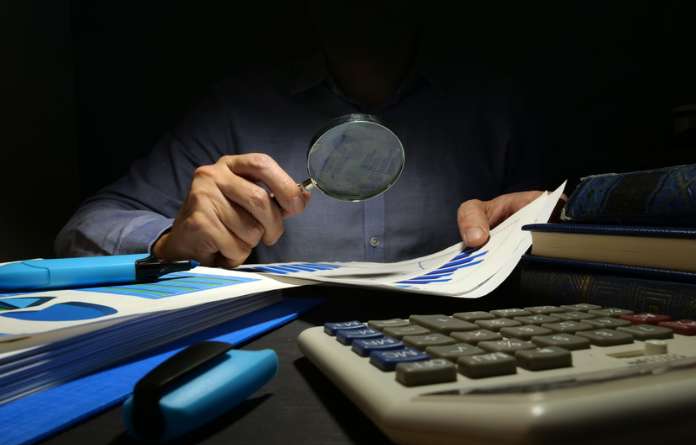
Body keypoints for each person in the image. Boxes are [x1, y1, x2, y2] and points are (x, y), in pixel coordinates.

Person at [55, 2, 546, 267]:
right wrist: (170, 242)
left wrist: (551, 226)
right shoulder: (235, 110)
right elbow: (85, 230)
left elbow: (568, 227)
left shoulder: (498, 105)